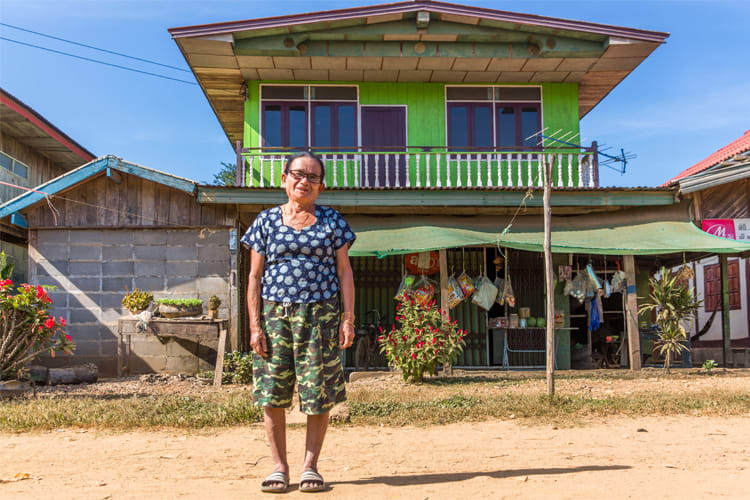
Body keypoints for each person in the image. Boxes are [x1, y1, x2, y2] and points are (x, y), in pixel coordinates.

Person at [241, 151, 356, 494]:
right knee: (272, 393)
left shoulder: (332, 221)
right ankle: (279, 467)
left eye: (313, 177)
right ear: (284, 179)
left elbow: (344, 272)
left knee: (317, 391)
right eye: (298, 174)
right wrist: (255, 325)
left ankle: (310, 467)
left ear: (322, 186)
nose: (304, 181)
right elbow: (255, 277)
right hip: (276, 315)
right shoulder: (265, 221)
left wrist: (347, 318)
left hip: (320, 316)